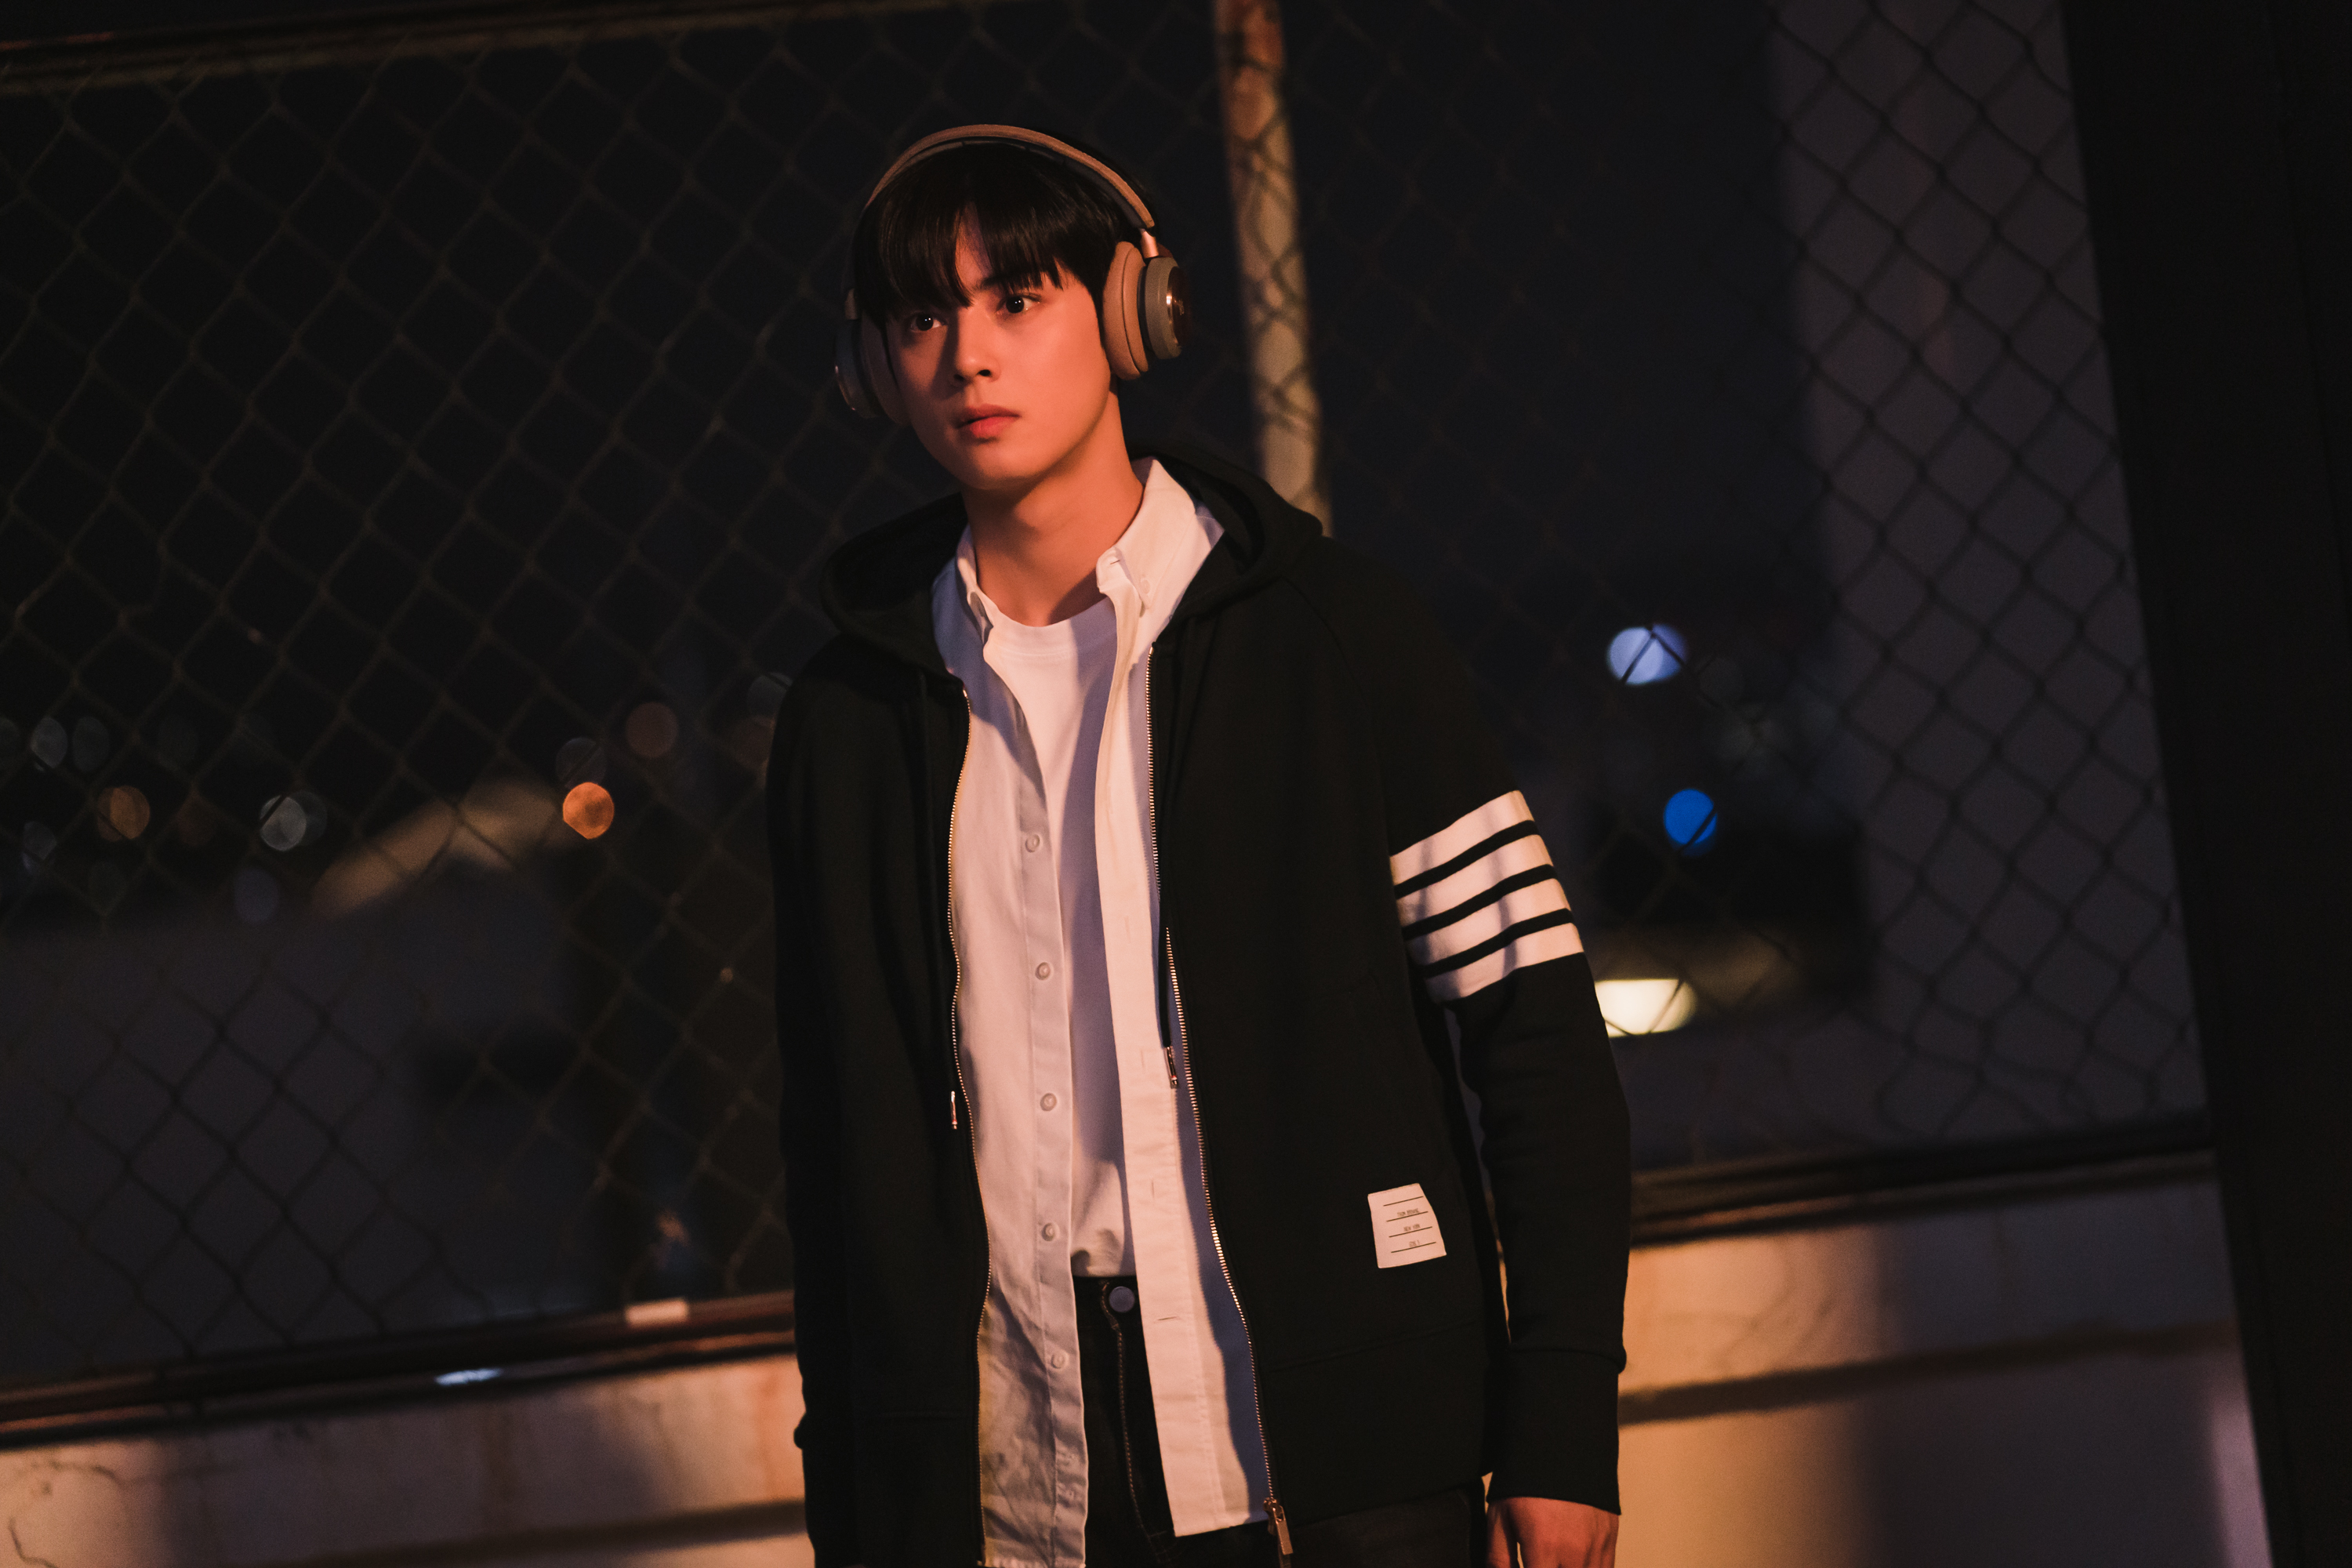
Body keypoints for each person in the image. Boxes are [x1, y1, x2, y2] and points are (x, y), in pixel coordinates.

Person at [766, 125, 1629, 1568]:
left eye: (1018, 300)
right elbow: (832, 1151)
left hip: (1344, 1460)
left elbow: (1535, 1034)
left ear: (1133, 312)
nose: (969, 356)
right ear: (872, 364)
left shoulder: (1340, 639)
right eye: (921, 318)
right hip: (1005, 1491)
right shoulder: (847, 721)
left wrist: (1561, 1426)